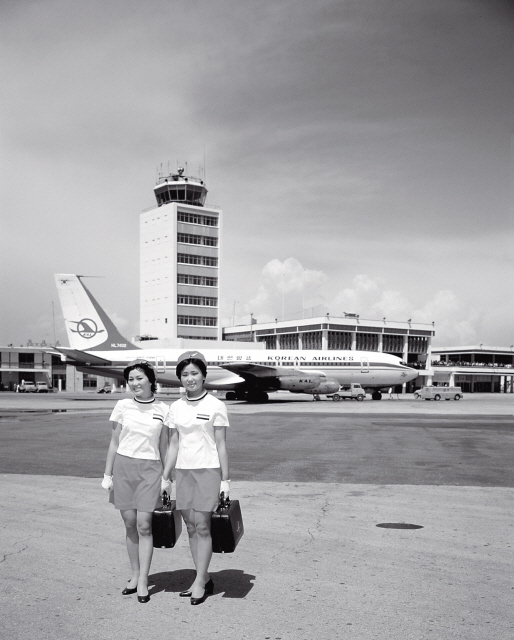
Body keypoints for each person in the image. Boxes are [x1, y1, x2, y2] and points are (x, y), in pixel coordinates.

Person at [162, 351, 230, 606]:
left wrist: (226, 480)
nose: (189, 378)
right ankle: (203, 576)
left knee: (202, 526)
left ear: (203, 376)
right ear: (180, 377)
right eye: (185, 374)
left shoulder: (215, 406)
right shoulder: (176, 407)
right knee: (190, 527)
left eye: (194, 373)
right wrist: (166, 476)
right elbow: (173, 444)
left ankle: (200, 581)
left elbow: (221, 445)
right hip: (183, 471)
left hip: (208, 470)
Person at [101, 360, 169, 603]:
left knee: (144, 525)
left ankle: (143, 580)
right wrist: (107, 474)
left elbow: (164, 447)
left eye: (139, 378)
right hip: (123, 468)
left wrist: (166, 478)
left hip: (150, 470)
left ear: (151, 379)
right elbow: (114, 442)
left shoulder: (163, 409)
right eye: (130, 379)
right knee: (129, 524)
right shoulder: (122, 406)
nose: (134, 383)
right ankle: (134, 573)